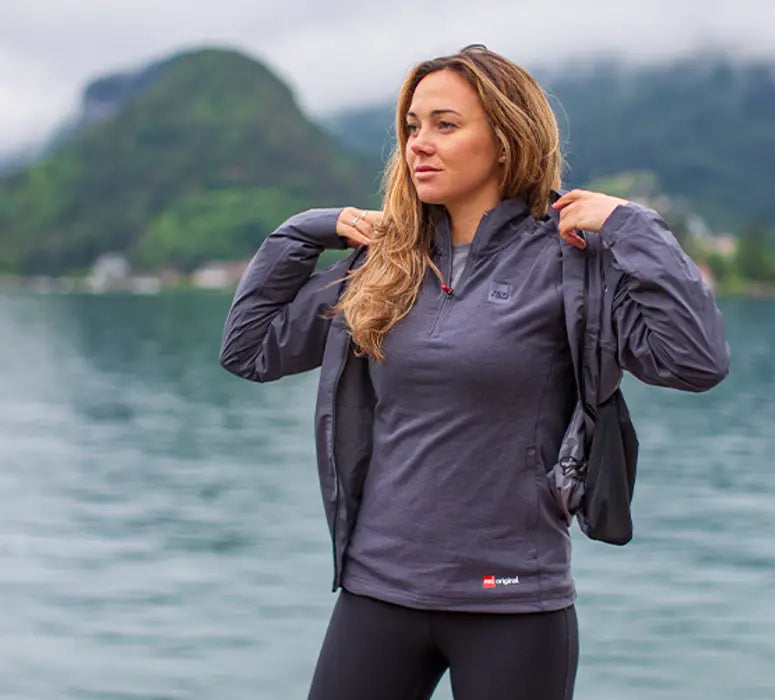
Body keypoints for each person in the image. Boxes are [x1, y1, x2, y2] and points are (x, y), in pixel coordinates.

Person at [220, 44, 729, 700]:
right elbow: (249, 349)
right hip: (377, 589)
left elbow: (695, 362)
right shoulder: (386, 266)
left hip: (513, 603)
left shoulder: (570, 265)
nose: (419, 145)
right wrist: (302, 235)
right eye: (411, 127)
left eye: (446, 125)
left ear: (506, 141)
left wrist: (635, 228)